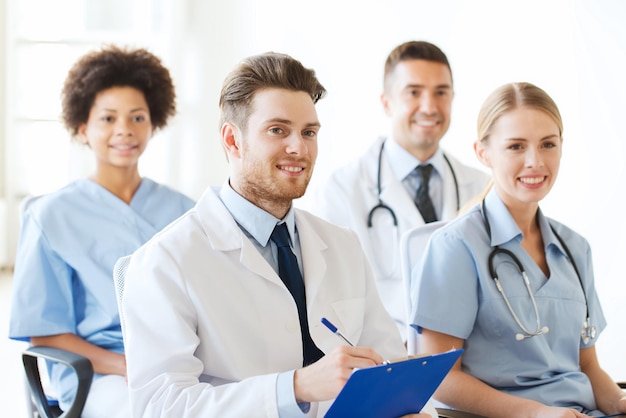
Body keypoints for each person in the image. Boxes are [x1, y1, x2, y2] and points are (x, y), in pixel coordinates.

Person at [119, 52, 436, 417]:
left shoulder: (342, 245)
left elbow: (389, 363)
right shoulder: (166, 261)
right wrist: (294, 387)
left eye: (308, 132)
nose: (298, 148)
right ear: (232, 141)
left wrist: (407, 408)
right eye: (277, 130)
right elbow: (160, 407)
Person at [411, 82, 626, 417]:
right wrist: (536, 413)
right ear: (483, 152)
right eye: (515, 146)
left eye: (547, 144)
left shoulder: (574, 248)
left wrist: (619, 403)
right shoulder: (456, 246)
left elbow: (588, 367)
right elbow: (440, 380)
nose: (535, 162)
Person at [9, 45, 195, 417]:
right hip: (99, 373)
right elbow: (45, 333)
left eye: (138, 117)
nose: (124, 130)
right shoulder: (50, 215)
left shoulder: (185, 211)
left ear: (153, 123)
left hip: (181, 363)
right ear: (83, 127)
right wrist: (124, 365)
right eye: (108, 119)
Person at [306, 41, 490, 340]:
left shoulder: (480, 187)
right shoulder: (342, 190)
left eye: (441, 93)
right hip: (385, 359)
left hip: (465, 358)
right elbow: (327, 301)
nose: (430, 107)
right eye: (414, 92)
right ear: (387, 102)